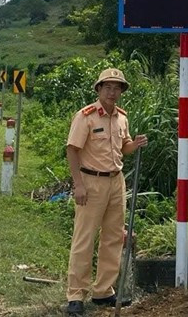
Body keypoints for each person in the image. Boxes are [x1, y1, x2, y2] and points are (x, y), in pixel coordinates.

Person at [64, 67, 147, 315]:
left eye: (117, 87)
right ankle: (76, 294)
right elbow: (72, 150)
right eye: (108, 87)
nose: (112, 92)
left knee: (113, 237)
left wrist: (136, 144)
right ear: (99, 89)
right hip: (91, 182)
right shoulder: (86, 116)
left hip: (116, 181)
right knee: (84, 238)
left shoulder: (122, 117)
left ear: (122, 92)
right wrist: (78, 183)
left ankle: (103, 291)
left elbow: (124, 148)